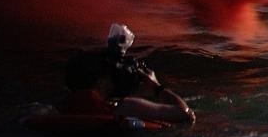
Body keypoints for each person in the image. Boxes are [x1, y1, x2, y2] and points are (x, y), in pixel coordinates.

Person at [60, 24, 195, 126]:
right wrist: (155, 85)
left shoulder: (63, 107)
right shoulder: (125, 108)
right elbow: (186, 116)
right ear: (101, 81)